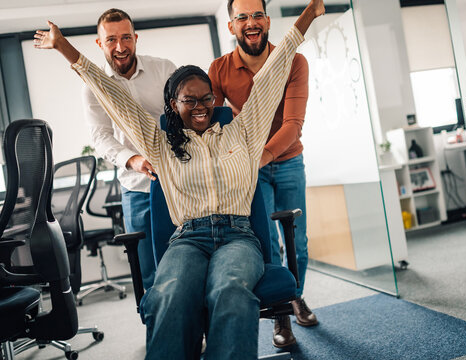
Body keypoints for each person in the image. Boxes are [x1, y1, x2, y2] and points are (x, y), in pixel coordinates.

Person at [34, 0, 324, 358]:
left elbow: (273, 72)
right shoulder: (158, 143)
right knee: (168, 293)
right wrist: (65, 48)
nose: (201, 105)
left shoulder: (244, 131)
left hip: (238, 235)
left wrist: (307, 15)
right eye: (190, 100)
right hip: (188, 238)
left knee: (230, 290)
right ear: (173, 104)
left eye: (207, 98)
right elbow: (111, 97)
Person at [208, 0, 316, 348]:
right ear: (231, 26)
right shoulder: (220, 69)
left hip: (287, 161)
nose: (250, 23)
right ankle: (281, 316)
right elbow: (214, 123)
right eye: (242, 17)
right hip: (249, 168)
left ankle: (295, 295)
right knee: (267, 241)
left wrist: (262, 155)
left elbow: (293, 125)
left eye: (257, 15)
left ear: (267, 20)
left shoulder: (293, 61)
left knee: (296, 241)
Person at [82, 8, 176, 290]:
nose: (120, 47)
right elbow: (100, 135)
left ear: (136, 38)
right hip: (136, 188)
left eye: (126, 38)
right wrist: (132, 159)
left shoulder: (164, 70)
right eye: (111, 40)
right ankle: (159, 332)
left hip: (176, 182)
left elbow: (184, 117)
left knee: (187, 259)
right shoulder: (93, 86)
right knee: (149, 273)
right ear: (100, 44)